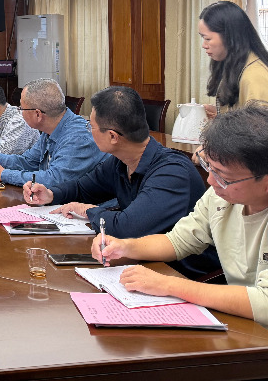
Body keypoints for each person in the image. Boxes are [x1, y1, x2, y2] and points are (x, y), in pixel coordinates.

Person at [93, 102, 268, 327]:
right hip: (243, 323)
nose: (211, 181)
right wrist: (125, 247)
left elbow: (264, 303)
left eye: (224, 176)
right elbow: (178, 241)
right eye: (209, 167)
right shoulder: (220, 198)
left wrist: (170, 285)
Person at [24, 86, 218, 276]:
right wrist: (51, 194)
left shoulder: (172, 173)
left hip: (183, 274)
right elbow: (82, 188)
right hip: (141, 263)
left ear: (112, 136)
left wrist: (88, 210)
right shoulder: (121, 161)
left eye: (91, 126)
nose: (88, 131)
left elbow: (127, 228)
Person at [0, 78, 104, 186]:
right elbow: (28, 161)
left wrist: (3, 174)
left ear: (37, 114)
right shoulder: (49, 130)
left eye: (21, 108)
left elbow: (54, 179)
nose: (19, 112)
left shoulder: (77, 137)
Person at [198, 0, 268, 119]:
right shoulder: (239, 65)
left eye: (208, 39)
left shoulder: (255, 76)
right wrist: (221, 115)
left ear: (229, 37)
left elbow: (260, 128)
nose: (204, 45)